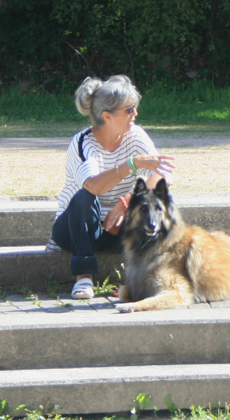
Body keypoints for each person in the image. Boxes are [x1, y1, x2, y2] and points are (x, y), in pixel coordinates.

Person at [47, 75, 175, 299]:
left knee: (158, 202)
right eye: (129, 109)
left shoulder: (135, 136)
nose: (135, 113)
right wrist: (132, 164)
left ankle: (143, 279)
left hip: (118, 227)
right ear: (107, 116)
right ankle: (83, 277)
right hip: (77, 228)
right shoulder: (83, 143)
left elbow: (163, 174)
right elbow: (93, 186)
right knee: (83, 198)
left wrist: (125, 202)